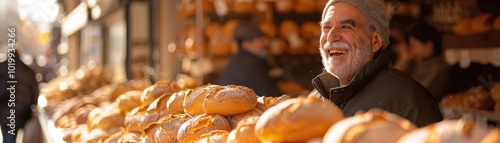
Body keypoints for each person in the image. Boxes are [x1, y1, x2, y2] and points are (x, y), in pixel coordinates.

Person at [308, 0, 442, 127]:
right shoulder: (315, 100)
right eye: (326, 27)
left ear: (375, 41)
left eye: (346, 27)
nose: (331, 37)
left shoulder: (410, 103)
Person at [218, 22, 282, 97]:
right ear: (246, 44)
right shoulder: (249, 65)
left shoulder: (242, 60)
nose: (267, 42)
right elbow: (269, 96)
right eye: (260, 40)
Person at [396, 21, 451, 102]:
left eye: (414, 46)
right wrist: (403, 61)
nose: (411, 50)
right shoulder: (413, 65)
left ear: (429, 46)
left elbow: (422, 98)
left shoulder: (440, 70)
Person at [0, 49, 39, 143]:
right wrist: (33, 104)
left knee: (7, 134)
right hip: (20, 110)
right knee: (11, 134)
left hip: (4, 110)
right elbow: (35, 91)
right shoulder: (27, 70)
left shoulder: (2, 67)